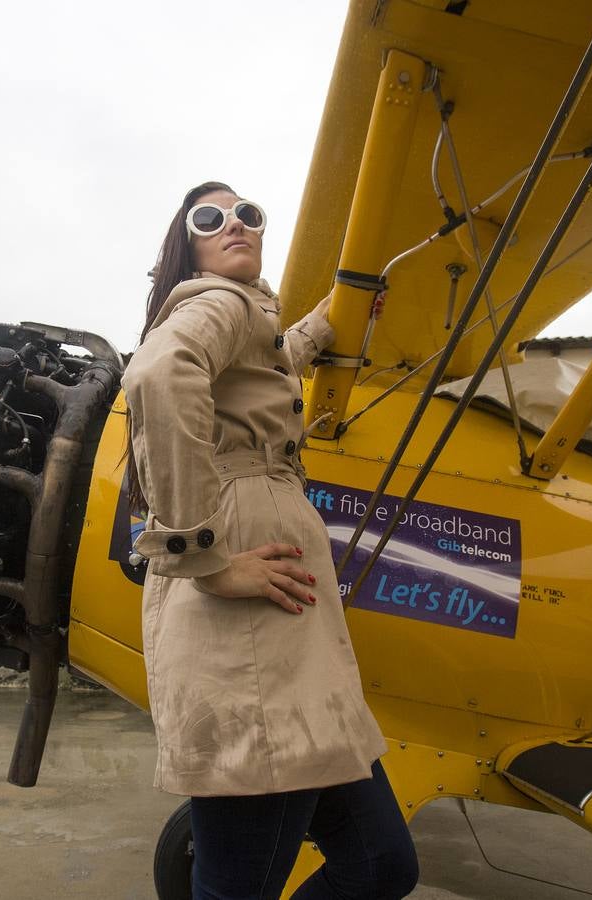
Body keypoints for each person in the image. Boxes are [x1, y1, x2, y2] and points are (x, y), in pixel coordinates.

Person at [121, 181, 419, 900]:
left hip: (287, 642)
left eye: (248, 215)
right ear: (184, 241)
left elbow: (265, 372)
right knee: (241, 887)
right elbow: (160, 375)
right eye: (210, 217)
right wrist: (203, 559)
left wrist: (326, 322)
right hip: (250, 630)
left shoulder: (246, 319)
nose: (236, 225)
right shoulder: (216, 303)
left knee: (381, 865)